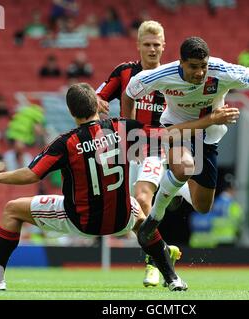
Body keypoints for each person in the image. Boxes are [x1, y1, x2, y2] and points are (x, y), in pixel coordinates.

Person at [0, 83, 237, 291]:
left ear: (72, 113)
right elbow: (170, 133)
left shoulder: (66, 142)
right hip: (120, 217)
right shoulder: (122, 128)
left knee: (12, 210)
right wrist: (210, 121)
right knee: (139, 214)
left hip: (81, 222)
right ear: (97, 105)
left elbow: (32, 174)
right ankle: (173, 277)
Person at [123, 36, 249, 245]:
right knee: (184, 168)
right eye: (193, 67)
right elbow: (130, 92)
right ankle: (155, 218)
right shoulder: (164, 75)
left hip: (209, 136)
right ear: (181, 63)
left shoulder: (221, 71)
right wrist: (131, 132)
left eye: (203, 66)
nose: (200, 72)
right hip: (177, 129)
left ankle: (173, 183)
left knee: (202, 206)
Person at [96, 20, 187, 287]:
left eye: (156, 45)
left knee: (143, 199)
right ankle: (164, 250)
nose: (152, 49)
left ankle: (153, 265)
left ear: (164, 47)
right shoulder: (124, 72)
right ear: (138, 46)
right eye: (147, 44)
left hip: (158, 145)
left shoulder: (173, 76)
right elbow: (99, 96)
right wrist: (98, 101)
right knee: (130, 211)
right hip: (128, 146)